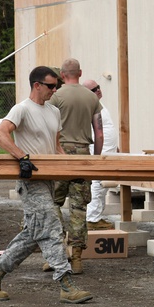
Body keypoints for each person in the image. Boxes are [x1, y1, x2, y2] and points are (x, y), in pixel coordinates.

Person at [0, 66, 92, 304]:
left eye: (57, 86)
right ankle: (65, 283)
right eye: (51, 86)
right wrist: (22, 158)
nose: (54, 90)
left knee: (32, 235)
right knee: (52, 225)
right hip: (31, 182)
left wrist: (73, 172)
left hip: (49, 180)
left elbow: (56, 148)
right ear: (37, 85)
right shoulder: (22, 109)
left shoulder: (53, 111)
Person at [49, 58, 103, 274]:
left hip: (59, 153)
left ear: (62, 75)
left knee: (54, 204)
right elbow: (99, 132)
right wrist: (96, 159)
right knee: (79, 207)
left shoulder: (55, 96)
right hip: (83, 155)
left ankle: (55, 254)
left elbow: (48, 127)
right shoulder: (92, 97)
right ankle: (78, 257)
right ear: (80, 73)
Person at [82, 79, 117, 230]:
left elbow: (107, 129)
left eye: (98, 87)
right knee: (98, 182)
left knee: (102, 183)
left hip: (107, 150)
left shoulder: (99, 105)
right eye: (93, 89)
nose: (98, 90)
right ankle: (93, 218)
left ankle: (96, 217)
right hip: (100, 150)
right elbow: (98, 133)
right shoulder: (89, 107)